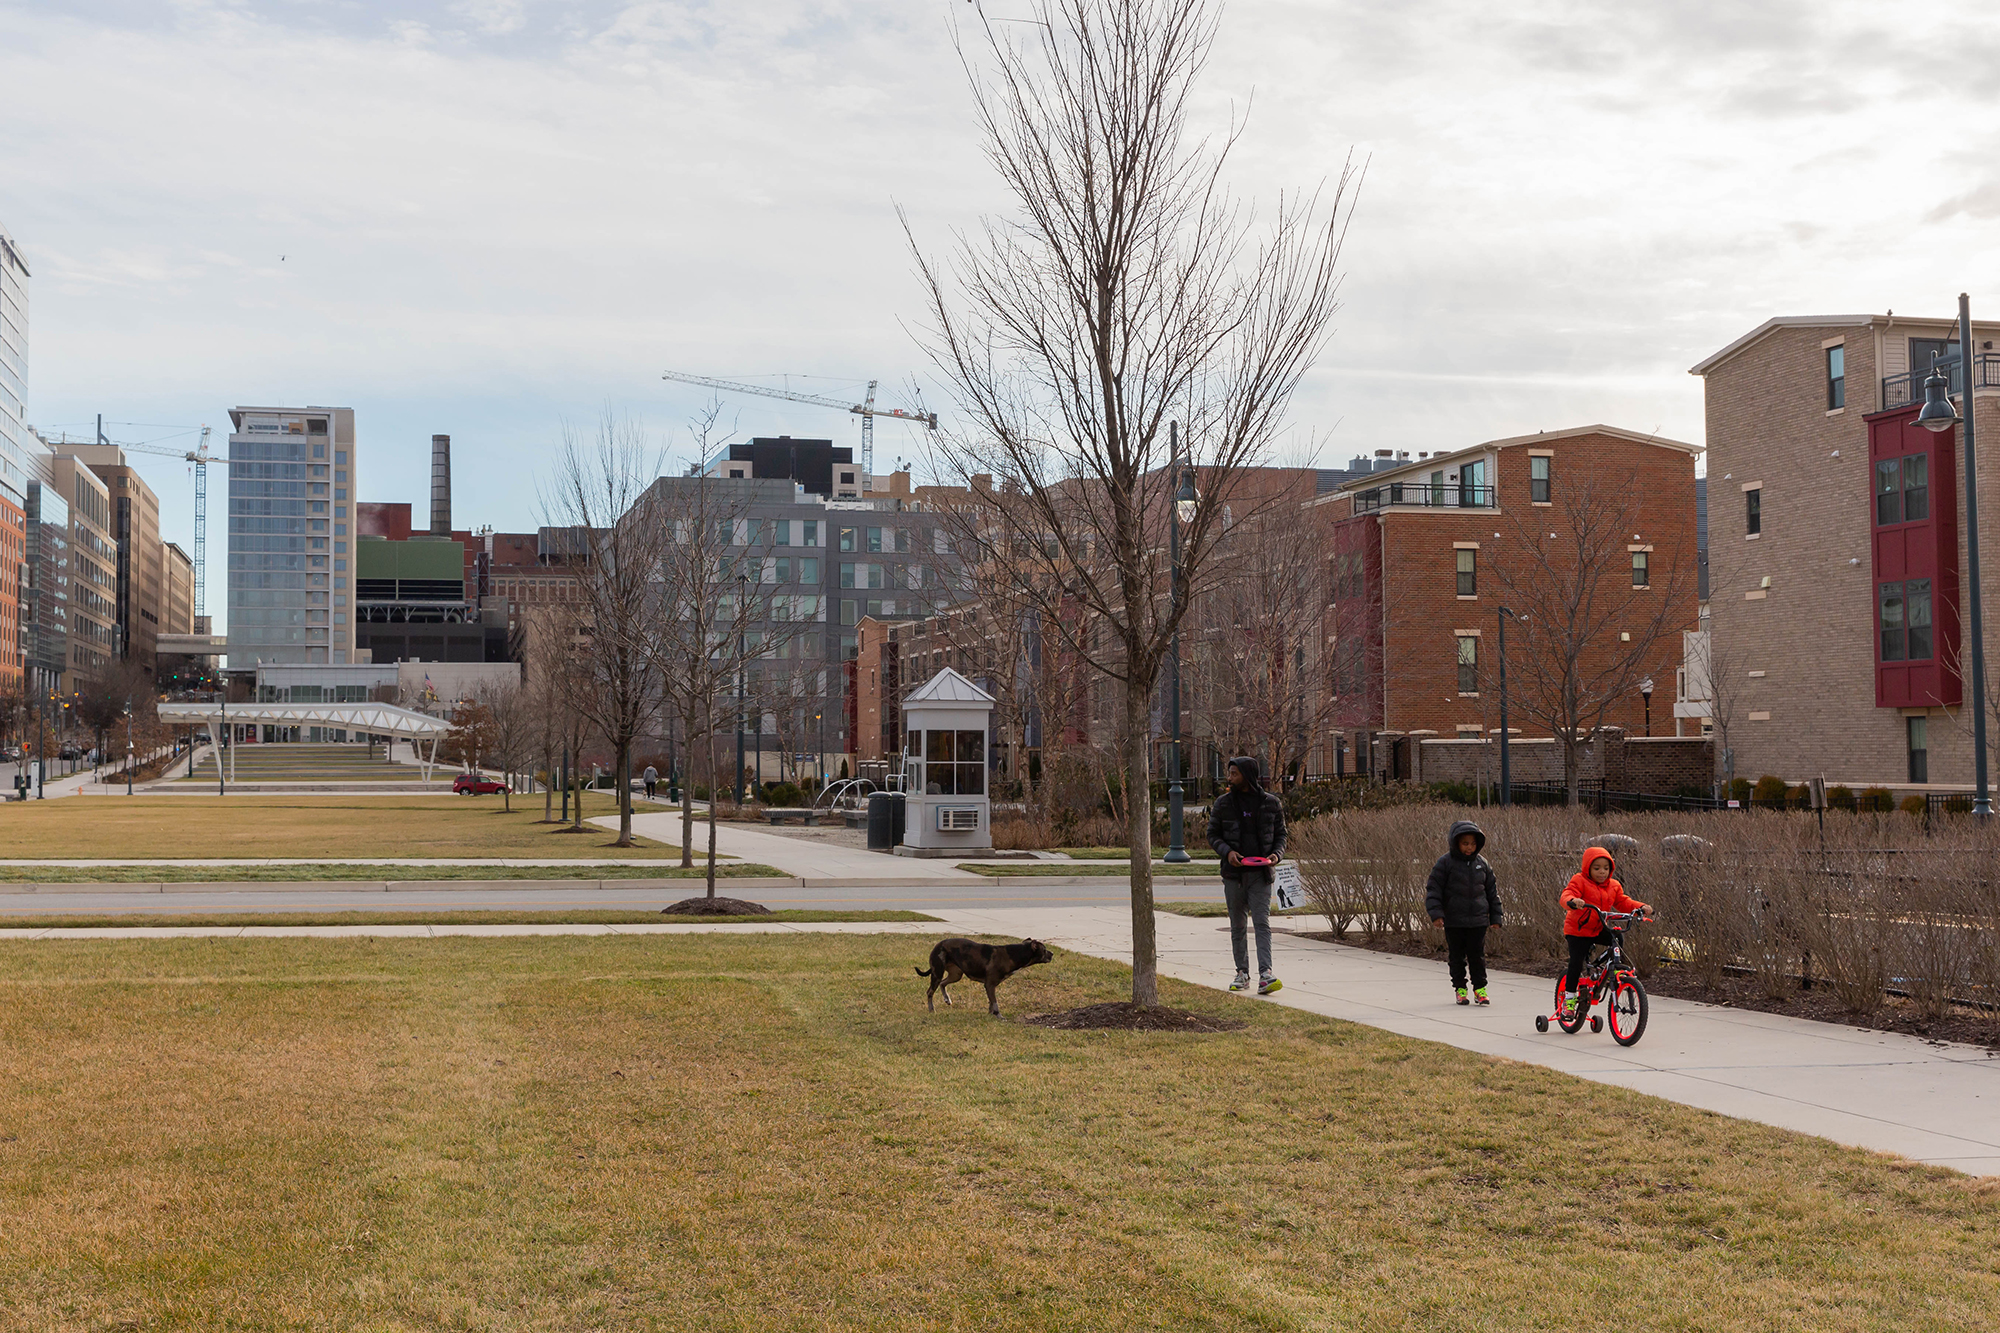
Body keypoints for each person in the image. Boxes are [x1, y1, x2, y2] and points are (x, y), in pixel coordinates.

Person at [1208, 755, 1287, 995]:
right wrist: (1228, 852)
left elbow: (1282, 835)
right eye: (1229, 773)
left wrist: (1277, 855)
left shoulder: (1271, 803)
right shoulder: (1223, 804)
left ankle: (1266, 974)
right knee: (1238, 925)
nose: (1229, 778)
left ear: (1248, 775)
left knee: (1262, 923)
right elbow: (1213, 834)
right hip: (1234, 874)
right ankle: (1242, 973)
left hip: (1261, 874)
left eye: (1234, 774)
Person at [1560, 846, 1649, 1017]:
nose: (1602, 872)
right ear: (1588, 868)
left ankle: (1610, 970)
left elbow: (1623, 902)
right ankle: (1569, 1000)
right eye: (1597, 868)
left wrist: (1641, 907)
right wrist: (1572, 901)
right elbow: (1567, 894)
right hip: (1578, 930)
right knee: (1576, 962)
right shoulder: (1579, 880)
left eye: (1606, 868)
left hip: (1598, 927)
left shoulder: (1613, 886)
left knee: (1617, 938)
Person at [1425, 819, 1502, 1006]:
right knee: (1456, 957)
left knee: (1477, 956)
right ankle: (1460, 988)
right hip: (1454, 920)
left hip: (1478, 920)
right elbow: (1434, 890)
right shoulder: (1445, 863)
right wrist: (1437, 914)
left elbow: (1492, 892)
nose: (1469, 847)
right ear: (1456, 843)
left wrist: (1496, 916)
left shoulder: (1482, 864)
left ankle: (1480, 989)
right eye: (1465, 843)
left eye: (1473, 843)